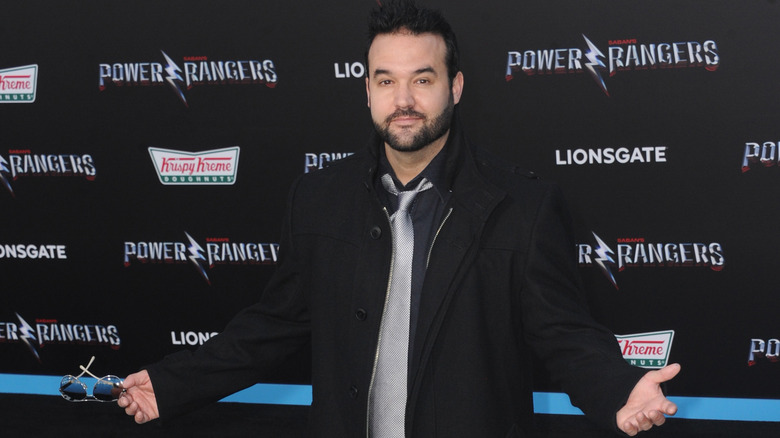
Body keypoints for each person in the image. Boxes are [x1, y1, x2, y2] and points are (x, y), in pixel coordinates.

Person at [118, 1, 680, 436]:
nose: (403, 98)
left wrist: (618, 391)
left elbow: (565, 335)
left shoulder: (523, 207)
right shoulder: (317, 197)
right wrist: (170, 384)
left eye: (423, 78)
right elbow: (273, 324)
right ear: (366, 91)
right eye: (386, 80)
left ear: (455, 87)